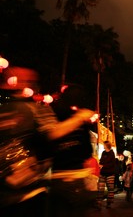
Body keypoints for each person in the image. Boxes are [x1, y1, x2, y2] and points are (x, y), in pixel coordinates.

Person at [0, 67, 95, 217]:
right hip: (23, 190)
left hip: (30, 189)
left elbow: (50, 141)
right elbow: (55, 135)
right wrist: (80, 117)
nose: (21, 83)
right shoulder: (35, 110)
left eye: (27, 80)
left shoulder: (39, 110)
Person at [48, 83, 98, 217]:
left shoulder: (53, 115)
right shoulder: (81, 119)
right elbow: (86, 151)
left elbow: (48, 145)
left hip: (56, 178)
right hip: (76, 177)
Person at [97, 140, 116, 209]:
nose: (103, 146)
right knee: (100, 188)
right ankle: (99, 203)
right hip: (103, 173)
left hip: (110, 173)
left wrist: (103, 166)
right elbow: (101, 161)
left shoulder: (112, 153)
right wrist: (100, 164)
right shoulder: (103, 152)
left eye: (104, 145)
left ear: (107, 145)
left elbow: (112, 164)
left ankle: (109, 203)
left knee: (110, 189)